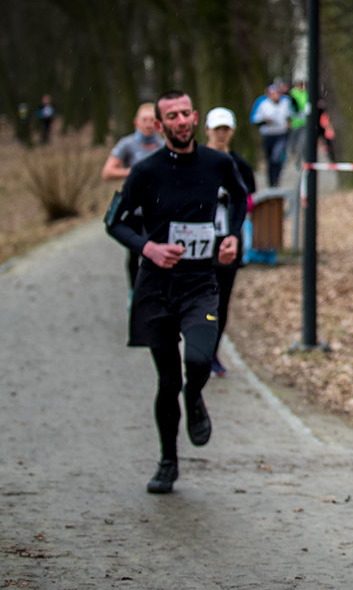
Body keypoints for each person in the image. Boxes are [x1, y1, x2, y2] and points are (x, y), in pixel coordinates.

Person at [105, 90, 247, 494]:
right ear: (159, 124)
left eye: (186, 113)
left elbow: (240, 197)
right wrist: (147, 248)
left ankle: (195, 395)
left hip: (200, 282)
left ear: (195, 117)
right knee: (167, 380)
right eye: (172, 116)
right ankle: (168, 461)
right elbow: (114, 222)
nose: (181, 121)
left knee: (199, 359)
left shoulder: (218, 163)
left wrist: (232, 235)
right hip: (157, 286)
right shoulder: (145, 171)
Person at [203, 107, 257, 377]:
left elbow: (249, 199)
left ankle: (212, 352)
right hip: (198, 240)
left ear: (232, 132)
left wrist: (233, 201)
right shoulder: (197, 160)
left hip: (229, 240)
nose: (221, 134)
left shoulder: (240, 164)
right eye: (217, 129)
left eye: (226, 129)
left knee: (221, 300)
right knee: (199, 299)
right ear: (207, 131)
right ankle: (197, 349)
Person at [101, 103, 166, 291]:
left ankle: (154, 290)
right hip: (135, 210)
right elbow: (108, 172)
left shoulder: (163, 146)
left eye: (152, 120)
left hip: (158, 210)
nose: (148, 124)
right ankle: (134, 291)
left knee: (156, 251)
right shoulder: (127, 144)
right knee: (135, 252)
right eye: (144, 120)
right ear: (136, 122)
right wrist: (135, 173)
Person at [251, 84, 294, 187]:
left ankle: (276, 178)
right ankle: (271, 180)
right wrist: (265, 121)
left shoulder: (285, 102)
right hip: (268, 135)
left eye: (277, 93)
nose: (276, 96)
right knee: (270, 158)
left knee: (277, 156)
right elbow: (254, 119)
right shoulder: (262, 103)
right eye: (273, 94)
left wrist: (289, 123)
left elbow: (291, 115)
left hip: (281, 134)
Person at [287, 80, 309, 163]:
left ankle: (299, 161)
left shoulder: (306, 93)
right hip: (294, 124)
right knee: (291, 144)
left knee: (302, 143)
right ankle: (289, 158)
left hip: (304, 123)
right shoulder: (293, 93)